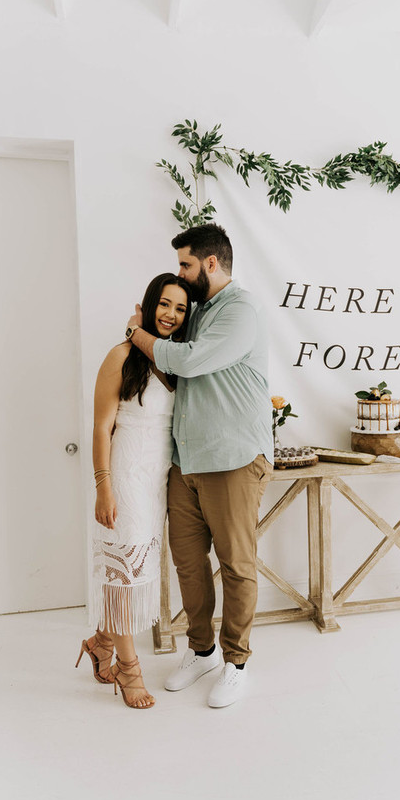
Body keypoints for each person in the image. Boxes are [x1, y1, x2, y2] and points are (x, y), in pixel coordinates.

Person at [125, 223, 273, 708]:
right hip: (184, 460)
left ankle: (236, 662)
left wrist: (137, 333)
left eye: (187, 264)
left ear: (210, 263)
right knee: (188, 564)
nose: (182, 274)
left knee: (236, 565)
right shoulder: (198, 310)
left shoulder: (242, 310)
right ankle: (202, 650)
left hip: (231, 458)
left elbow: (184, 363)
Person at [76, 273, 191, 709]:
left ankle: (101, 643)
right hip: (123, 477)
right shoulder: (121, 356)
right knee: (124, 577)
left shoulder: (172, 359)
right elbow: (102, 427)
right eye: (164, 305)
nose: (170, 315)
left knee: (138, 572)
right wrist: (103, 487)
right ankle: (130, 669)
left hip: (156, 481)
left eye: (180, 309)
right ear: (148, 304)